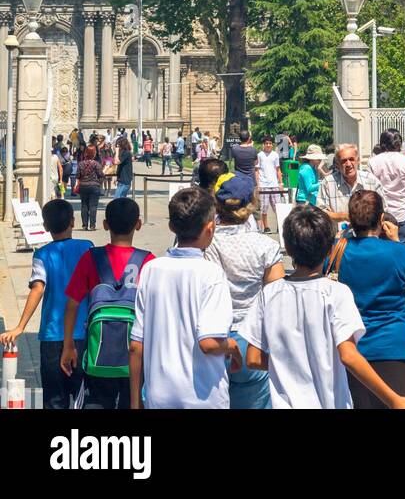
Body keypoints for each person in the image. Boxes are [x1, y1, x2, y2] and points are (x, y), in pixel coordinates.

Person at [241, 205, 405, 409]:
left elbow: (253, 358)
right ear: (330, 250)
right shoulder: (336, 293)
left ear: (288, 249)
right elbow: (348, 355)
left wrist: (288, 366)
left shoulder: (268, 295)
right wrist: (393, 398)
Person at [129, 187, 239, 410]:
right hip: (203, 398)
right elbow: (209, 343)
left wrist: (134, 401)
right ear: (210, 228)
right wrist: (234, 348)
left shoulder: (151, 269)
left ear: (171, 227)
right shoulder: (211, 274)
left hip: (158, 396)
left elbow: (136, 345)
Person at [329, 189, 405, 408]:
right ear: (381, 219)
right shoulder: (397, 252)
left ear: (351, 220)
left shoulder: (338, 251)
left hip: (352, 348)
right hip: (395, 347)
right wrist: (395, 241)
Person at [60, 197, 153, 409]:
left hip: (98, 356)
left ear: (105, 224)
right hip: (137, 357)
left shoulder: (91, 258)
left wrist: (68, 345)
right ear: (138, 224)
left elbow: (72, 304)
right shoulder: (148, 261)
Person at [0, 200, 93, 408]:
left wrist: (20, 326)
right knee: (82, 396)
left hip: (52, 336)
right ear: (73, 221)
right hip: (82, 335)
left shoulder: (42, 254)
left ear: (45, 226)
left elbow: (38, 288)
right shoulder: (87, 248)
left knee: (53, 398)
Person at [204, 172, 284, 408]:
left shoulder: (206, 241)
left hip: (212, 338)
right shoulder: (266, 247)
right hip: (253, 341)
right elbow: (276, 298)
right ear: (251, 204)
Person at [369, 128, 405, 245]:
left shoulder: (373, 162)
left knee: (383, 251)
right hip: (402, 214)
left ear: (382, 143)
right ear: (399, 144)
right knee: (403, 250)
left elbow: (370, 189)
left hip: (382, 215)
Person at [319, 144, 385, 225]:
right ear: (337, 164)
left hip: (367, 236)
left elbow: (383, 209)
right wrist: (341, 216)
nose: (348, 164)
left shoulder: (371, 181)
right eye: (344, 161)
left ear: (358, 160)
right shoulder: (328, 183)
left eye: (351, 159)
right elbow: (320, 212)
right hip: (338, 236)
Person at [256, 134, 285, 234]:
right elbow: (257, 170)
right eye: (266, 143)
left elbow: (278, 169)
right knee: (264, 208)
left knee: (277, 207)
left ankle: (280, 226)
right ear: (263, 145)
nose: (268, 145)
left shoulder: (275, 155)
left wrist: (281, 183)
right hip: (263, 184)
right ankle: (266, 226)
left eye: (270, 143)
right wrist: (258, 184)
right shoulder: (260, 155)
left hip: (274, 184)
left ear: (272, 145)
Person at [74, 142, 103, 230]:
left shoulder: (81, 164)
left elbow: (77, 176)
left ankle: (84, 225)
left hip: (83, 186)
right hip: (94, 186)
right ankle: (92, 225)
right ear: (94, 153)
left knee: (84, 205)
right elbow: (101, 175)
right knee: (93, 206)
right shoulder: (96, 164)